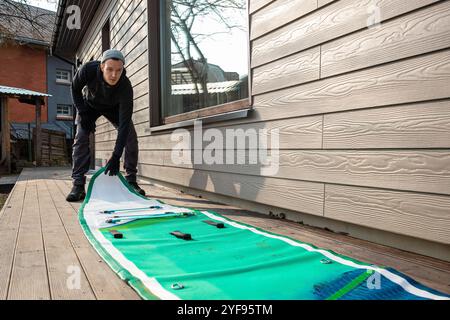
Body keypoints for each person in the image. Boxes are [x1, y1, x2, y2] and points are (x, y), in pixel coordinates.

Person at [66, 49, 146, 202]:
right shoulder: (87, 70)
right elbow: (75, 89)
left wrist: (116, 156)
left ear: (123, 69)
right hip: (89, 105)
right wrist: (83, 113)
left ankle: (131, 181)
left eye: (119, 70)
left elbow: (123, 125)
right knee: (81, 137)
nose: (114, 75)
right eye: (110, 69)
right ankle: (78, 184)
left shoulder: (125, 87)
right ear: (102, 67)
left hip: (113, 109)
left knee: (130, 137)